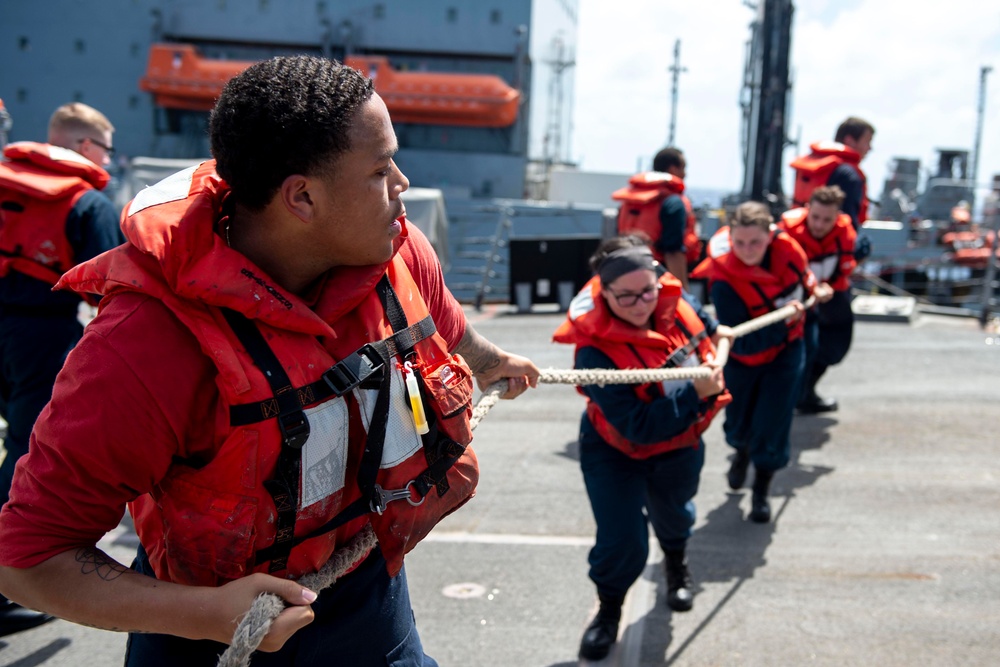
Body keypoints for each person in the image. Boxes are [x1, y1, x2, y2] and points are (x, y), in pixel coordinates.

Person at [0, 55, 539, 666]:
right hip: (211, 626)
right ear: (302, 198)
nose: (403, 183)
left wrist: (493, 362)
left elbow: (440, 321)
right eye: (381, 167)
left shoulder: (394, 247)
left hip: (364, 597)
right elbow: (27, 559)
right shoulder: (144, 346)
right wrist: (207, 615)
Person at [552, 236, 729, 661]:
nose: (640, 303)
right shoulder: (593, 351)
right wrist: (697, 393)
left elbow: (703, 318)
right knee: (621, 540)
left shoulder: (676, 301)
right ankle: (608, 610)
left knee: (676, 515)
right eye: (626, 295)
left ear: (659, 281)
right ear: (604, 292)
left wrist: (716, 330)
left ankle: (676, 563)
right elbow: (639, 426)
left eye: (648, 291)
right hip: (614, 450)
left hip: (680, 446)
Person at [0, 101, 123, 637]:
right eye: (104, 149)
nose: (108, 161)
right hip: (39, 338)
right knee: (27, 449)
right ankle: (7, 578)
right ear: (80, 146)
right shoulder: (87, 201)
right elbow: (117, 290)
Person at [690, 201, 818, 523]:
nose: (748, 250)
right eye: (740, 243)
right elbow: (744, 342)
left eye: (756, 242)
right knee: (739, 420)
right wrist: (786, 322)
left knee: (774, 420)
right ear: (730, 239)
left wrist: (814, 292)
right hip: (745, 357)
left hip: (787, 353)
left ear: (770, 236)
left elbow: (804, 281)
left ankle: (762, 487)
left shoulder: (789, 253)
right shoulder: (722, 280)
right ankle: (741, 451)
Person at [779, 186, 854, 413]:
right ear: (807, 209)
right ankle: (787, 400)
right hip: (792, 300)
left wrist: (828, 289)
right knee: (795, 351)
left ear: (837, 217)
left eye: (827, 220)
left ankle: (806, 391)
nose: (819, 225)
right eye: (816, 217)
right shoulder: (788, 232)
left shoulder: (845, 234)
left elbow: (843, 272)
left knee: (835, 346)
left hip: (829, 294)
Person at [612, 146, 701, 291]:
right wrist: (683, 292)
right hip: (657, 277)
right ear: (673, 169)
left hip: (626, 274)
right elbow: (673, 252)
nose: (685, 173)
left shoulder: (629, 201)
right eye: (683, 168)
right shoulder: (673, 203)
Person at [790, 116, 875, 259]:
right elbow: (849, 221)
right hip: (829, 247)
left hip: (799, 238)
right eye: (867, 141)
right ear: (849, 140)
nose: (870, 148)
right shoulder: (848, 174)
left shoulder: (812, 165)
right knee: (865, 243)